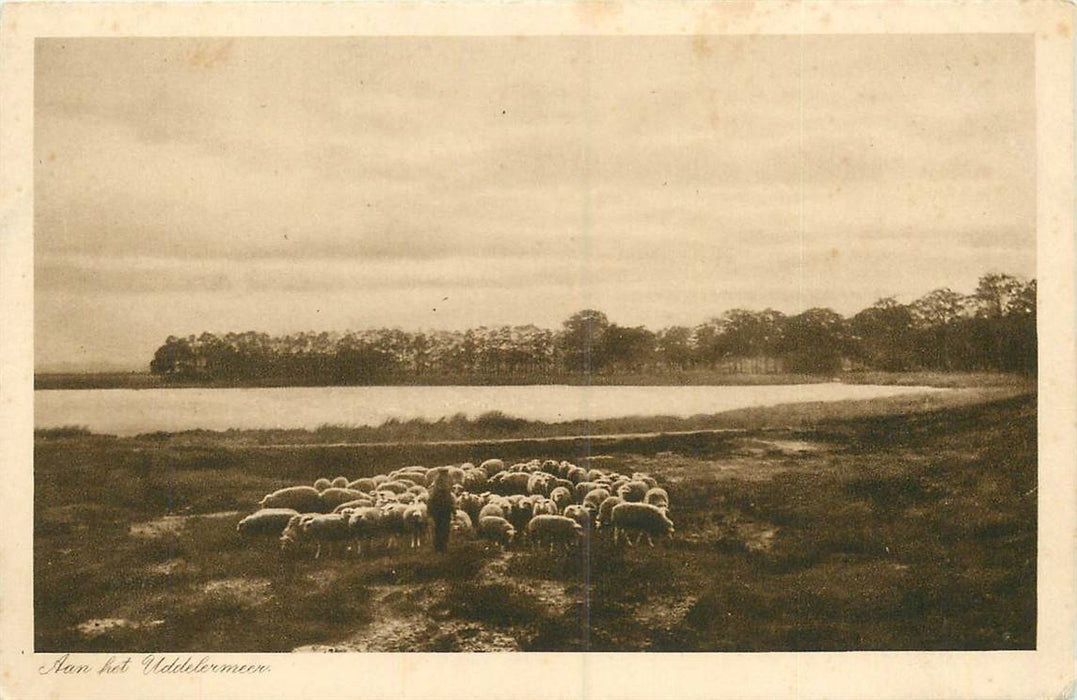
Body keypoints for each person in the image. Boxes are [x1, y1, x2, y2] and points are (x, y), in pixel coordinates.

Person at [427, 469, 454, 553]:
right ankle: (441, 546)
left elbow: (430, 500)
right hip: (442, 510)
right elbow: (449, 499)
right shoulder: (442, 483)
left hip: (439, 511)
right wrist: (453, 509)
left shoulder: (438, 482)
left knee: (439, 528)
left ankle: (440, 547)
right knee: (443, 528)